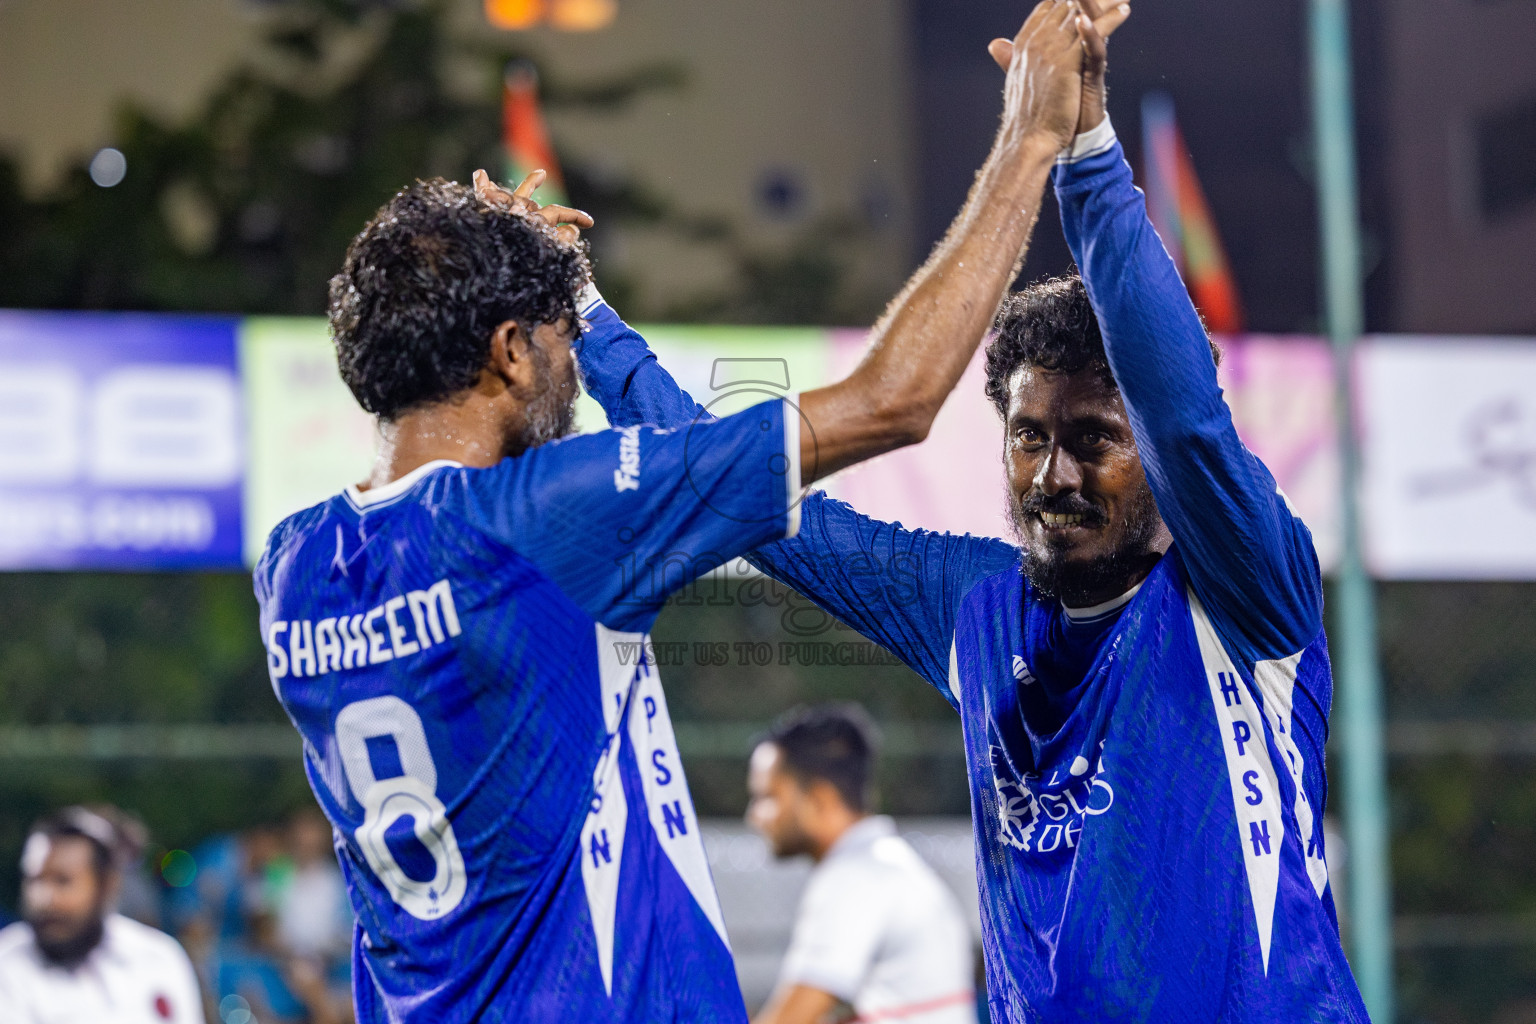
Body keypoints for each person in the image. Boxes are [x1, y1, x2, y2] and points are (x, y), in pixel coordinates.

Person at [254, 6, 1089, 1021]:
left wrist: (582, 311)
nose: (569, 365)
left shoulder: (292, 564)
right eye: (558, 341)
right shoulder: (544, 521)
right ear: (511, 352)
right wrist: (1031, 138)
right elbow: (894, 399)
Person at [568, 2, 1374, 1019]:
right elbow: (752, 494)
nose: (1055, 475)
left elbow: (1187, 416)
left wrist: (1081, 147)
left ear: (1156, 462)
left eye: (1096, 441)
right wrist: (588, 323)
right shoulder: (975, 608)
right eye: (1031, 436)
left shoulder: (1247, 591)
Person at [747, 705, 976, 1024]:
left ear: (819, 799)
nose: (754, 816)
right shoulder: (889, 862)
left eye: (768, 797)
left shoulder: (853, 878)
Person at [0, 806, 206, 1023]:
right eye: (34, 880)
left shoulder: (159, 958)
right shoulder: (7, 964)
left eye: (62, 881)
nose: (43, 899)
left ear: (107, 885)